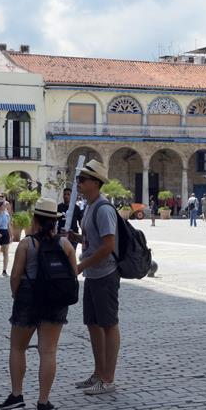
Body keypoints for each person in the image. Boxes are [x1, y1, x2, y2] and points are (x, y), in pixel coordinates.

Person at [0, 197, 77, 410]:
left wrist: (17, 295)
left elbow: (15, 276)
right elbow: (73, 275)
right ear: (55, 221)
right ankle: (43, 401)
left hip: (28, 297)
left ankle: (16, 395)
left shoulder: (26, 244)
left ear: (35, 219)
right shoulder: (65, 244)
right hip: (56, 301)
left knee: (17, 347)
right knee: (49, 351)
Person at [72, 160, 121, 396]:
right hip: (94, 274)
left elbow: (108, 245)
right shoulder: (89, 206)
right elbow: (95, 241)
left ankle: (108, 379)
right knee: (92, 324)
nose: (79, 182)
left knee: (108, 325)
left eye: (83, 179)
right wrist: (77, 238)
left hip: (105, 274)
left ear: (95, 182)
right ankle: (98, 373)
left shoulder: (103, 208)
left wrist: (81, 266)